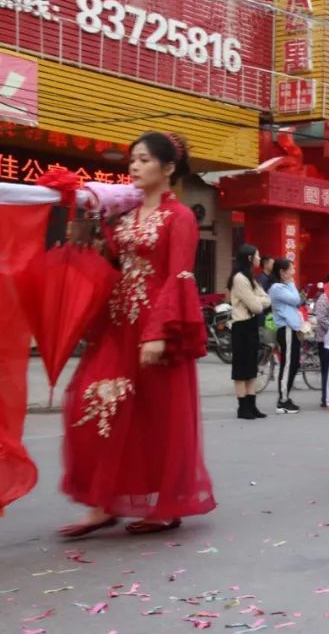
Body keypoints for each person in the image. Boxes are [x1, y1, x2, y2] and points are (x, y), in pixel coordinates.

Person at [58, 131, 215, 537]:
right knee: (91, 402)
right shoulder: (123, 217)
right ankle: (101, 503)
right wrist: (85, 222)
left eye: (143, 159)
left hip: (154, 326)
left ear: (167, 168)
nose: (133, 166)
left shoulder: (179, 217)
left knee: (155, 416)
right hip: (116, 324)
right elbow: (103, 260)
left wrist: (158, 331)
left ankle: (164, 504)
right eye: (132, 159)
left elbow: (179, 275)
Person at [228, 244, 271, 420]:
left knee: (252, 367)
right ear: (249, 258)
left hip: (251, 324)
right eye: (257, 256)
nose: (259, 259)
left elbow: (266, 299)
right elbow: (256, 305)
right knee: (241, 369)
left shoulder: (251, 278)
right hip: (241, 326)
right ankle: (242, 407)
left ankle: (252, 405)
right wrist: (258, 302)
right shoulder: (239, 279)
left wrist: (258, 301)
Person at [268, 258, 303, 414]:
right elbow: (296, 300)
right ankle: (282, 401)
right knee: (288, 364)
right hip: (286, 329)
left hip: (292, 329)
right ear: (282, 272)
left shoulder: (284, 286)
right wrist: (291, 282)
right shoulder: (277, 287)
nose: (293, 272)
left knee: (294, 363)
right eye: (291, 269)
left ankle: (285, 397)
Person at [313, 275, 329, 408]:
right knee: (327, 369)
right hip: (325, 339)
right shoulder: (324, 298)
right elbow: (321, 318)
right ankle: (326, 398)